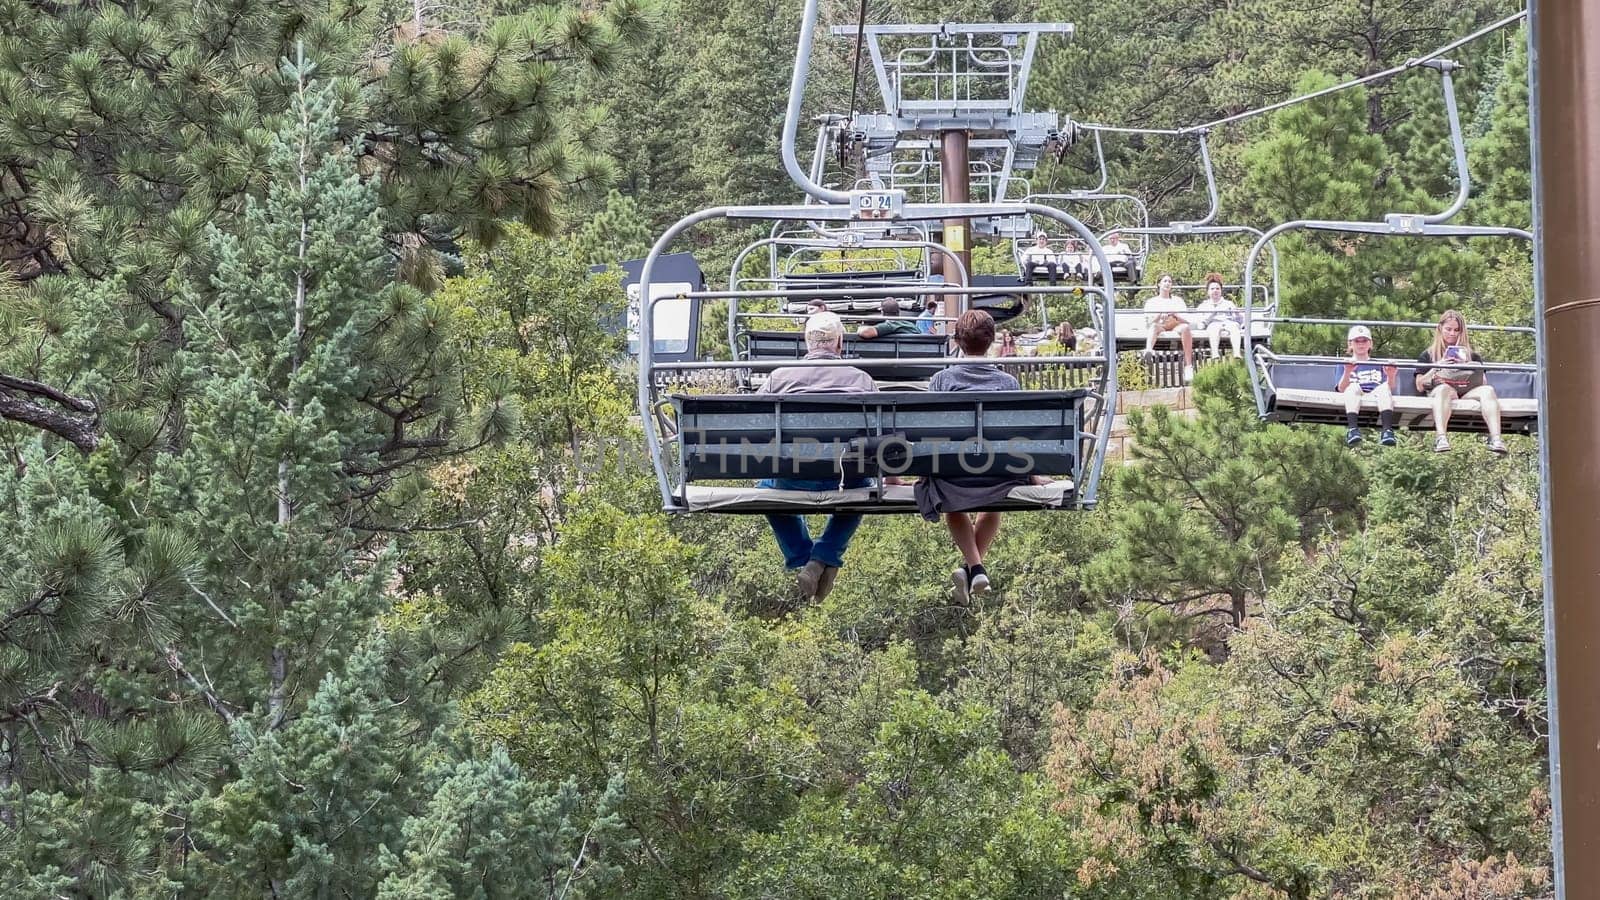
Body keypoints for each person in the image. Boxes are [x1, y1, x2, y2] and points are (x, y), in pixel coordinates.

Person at [915, 310, 1050, 602]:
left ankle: (974, 567)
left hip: (953, 472)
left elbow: (928, 429)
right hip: (1000, 472)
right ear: (991, 341)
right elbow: (1018, 434)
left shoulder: (941, 380)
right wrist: (1035, 474)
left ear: (957, 341)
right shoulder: (1007, 382)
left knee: (952, 498)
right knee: (993, 498)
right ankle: (974, 568)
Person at [756, 312, 876, 600]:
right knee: (865, 488)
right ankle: (822, 558)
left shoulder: (778, 379)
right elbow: (881, 434)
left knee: (764, 490)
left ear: (806, 343)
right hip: (847, 479)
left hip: (792, 477)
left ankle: (802, 557)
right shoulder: (861, 380)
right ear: (840, 343)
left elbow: (753, 426)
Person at [1414, 309, 1507, 454]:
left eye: (1456, 330)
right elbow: (1419, 385)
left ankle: (1496, 438)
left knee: (1488, 390)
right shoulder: (1428, 355)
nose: (1452, 334)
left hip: (1465, 390)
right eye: (1448, 329)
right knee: (1444, 389)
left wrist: (1468, 366)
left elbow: (1483, 382)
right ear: (1440, 329)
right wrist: (1438, 366)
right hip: (1442, 390)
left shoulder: (1472, 355)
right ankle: (1441, 437)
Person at [1335, 325, 1398, 447]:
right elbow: (1341, 388)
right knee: (1352, 388)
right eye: (1357, 341)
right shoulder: (1343, 364)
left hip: (1376, 392)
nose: (1361, 344)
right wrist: (1348, 371)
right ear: (1350, 344)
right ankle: (1353, 429)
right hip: (1355, 392)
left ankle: (1387, 430)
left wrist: (1391, 375)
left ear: (1370, 344)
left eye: (1364, 340)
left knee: (1383, 388)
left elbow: (1390, 387)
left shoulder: (1379, 364)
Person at [1141, 273, 1196, 382]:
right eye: (1165, 281)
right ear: (1159, 284)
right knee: (1154, 327)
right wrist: (1159, 315)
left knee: (1185, 328)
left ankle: (1188, 366)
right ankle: (1148, 350)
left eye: (1169, 281)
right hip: (1160, 326)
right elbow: (1148, 322)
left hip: (1175, 325)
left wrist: (1175, 314)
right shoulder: (1151, 302)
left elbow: (1187, 321)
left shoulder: (1178, 301)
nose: (1167, 284)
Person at [1192, 273, 1244, 360]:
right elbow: (1200, 324)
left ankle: (1237, 352)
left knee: (1234, 328)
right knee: (1214, 329)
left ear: (1221, 291)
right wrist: (1212, 314)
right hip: (1213, 323)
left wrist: (1236, 314)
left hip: (1228, 322)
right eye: (1212, 289)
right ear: (1208, 291)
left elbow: (1239, 319)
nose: (1215, 291)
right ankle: (1215, 353)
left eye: (1217, 289)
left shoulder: (1229, 303)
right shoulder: (1204, 306)